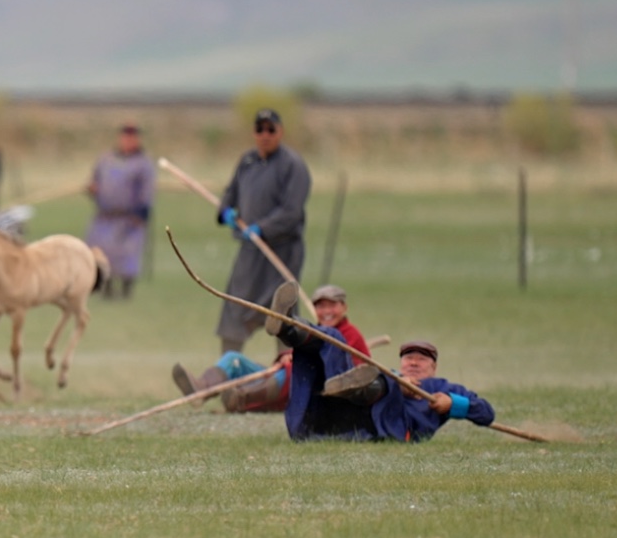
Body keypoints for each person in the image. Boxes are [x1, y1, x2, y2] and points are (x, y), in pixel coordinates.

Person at [265, 283, 494, 441]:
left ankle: (350, 388)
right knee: (333, 337)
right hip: (322, 424)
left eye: (421, 359)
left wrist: (453, 404)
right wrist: (400, 382)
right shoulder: (394, 375)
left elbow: (487, 413)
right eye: (409, 358)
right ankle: (287, 326)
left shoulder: (443, 389)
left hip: (389, 429)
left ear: (434, 368)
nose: (414, 362)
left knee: (386, 380)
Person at [172, 283, 370, 412]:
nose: (326, 312)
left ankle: (241, 399)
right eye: (321, 306)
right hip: (281, 376)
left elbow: (346, 375)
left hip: (303, 392)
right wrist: (287, 355)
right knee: (234, 358)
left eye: (332, 306)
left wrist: (296, 361)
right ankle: (202, 388)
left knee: (294, 371)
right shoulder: (315, 331)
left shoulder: (350, 335)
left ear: (344, 307)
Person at [215, 108, 311, 354]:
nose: (265, 135)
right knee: (235, 310)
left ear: (281, 132)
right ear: (254, 133)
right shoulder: (247, 162)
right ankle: (227, 375)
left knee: (283, 315)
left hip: (282, 252)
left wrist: (263, 228)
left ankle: (286, 376)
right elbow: (230, 194)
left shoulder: (293, 165)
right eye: (260, 129)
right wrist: (226, 212)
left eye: (271, 129)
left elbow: (292, 211)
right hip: (250, 252)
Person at [85, 123, 155, 299]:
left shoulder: (143, 164)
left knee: (128, 257)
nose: (128, 141)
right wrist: (93, 189)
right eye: (125, 137)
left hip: (129, 218)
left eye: (132, 137)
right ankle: (105, 290)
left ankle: (126, 292)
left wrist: (141, 214)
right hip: (105, 217)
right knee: (102, 254)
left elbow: (147, 191)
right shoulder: (106, 160)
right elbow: (95, 180)